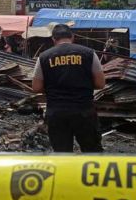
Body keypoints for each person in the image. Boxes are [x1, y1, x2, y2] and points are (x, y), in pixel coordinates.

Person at [32, 24, 106, 153]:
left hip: (57, 113)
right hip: (84, 111)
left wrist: (53, 87)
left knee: (62, 154)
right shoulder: (89, 53)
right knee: (92, 152)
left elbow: (36, 87)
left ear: (53, 39)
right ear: (73, 37)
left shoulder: (43, 57)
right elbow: (100, 84)